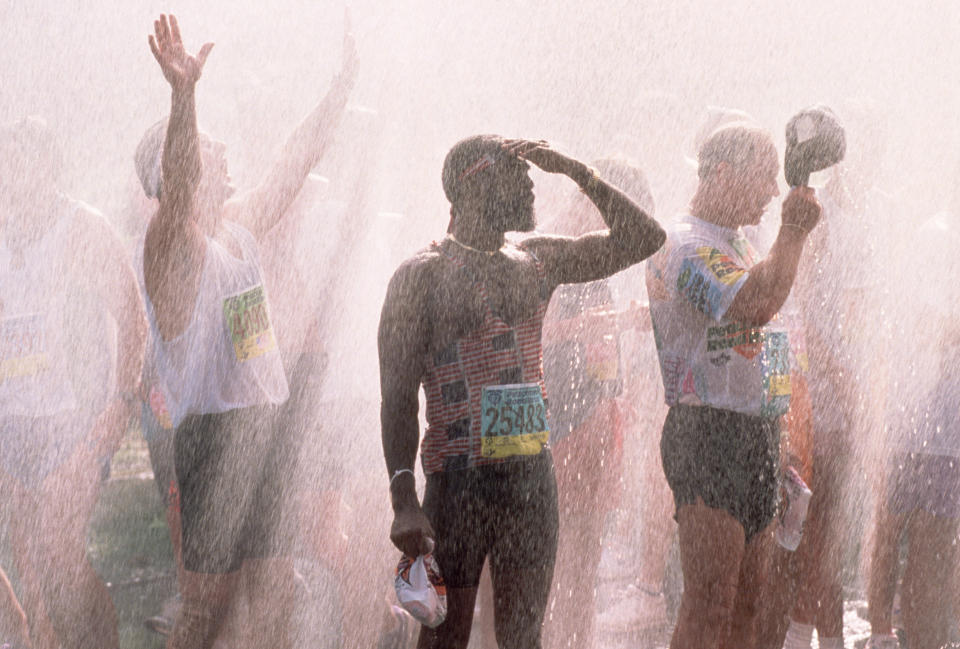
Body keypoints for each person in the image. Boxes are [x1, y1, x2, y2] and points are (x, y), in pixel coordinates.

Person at [379, 134, 665, 649]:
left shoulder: (537, 260)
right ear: (477, 186)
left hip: (531, 484)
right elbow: (396, 398)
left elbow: (645, 237)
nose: (534, 184)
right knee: (445, 637)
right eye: (520, 173)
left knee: (522, 636)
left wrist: (578, 170)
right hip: (458, 484)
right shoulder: (421, 278)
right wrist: (403, 499)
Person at [139, 14, 355, 649]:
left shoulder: (235, 228)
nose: (228, 156)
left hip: (262, 425)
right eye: (213, 149)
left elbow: (294, 159)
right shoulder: (170, 247)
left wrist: (341, 88)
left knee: (277, 588)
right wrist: (184, 97)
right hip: (214, 435)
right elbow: (179, 188)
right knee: (208, 610)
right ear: (179, 168)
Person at [644, 121, 821, 649]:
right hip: (707, 434)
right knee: (710, 603)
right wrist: (792, 231)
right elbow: (754, 305)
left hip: (758, 434)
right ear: (722, 173)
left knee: (748, 605)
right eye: (765, 175)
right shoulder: (680, 242)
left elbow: (769, 341)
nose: (774, 190)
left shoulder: (743, 242)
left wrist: (782, 432)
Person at [0, 116, 147, 649]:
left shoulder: (82, 228)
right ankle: (24, 632)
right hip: (15, 423)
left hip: (76, 420)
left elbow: (133, 318)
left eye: (22, 161)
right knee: (34, 572)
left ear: (48, 167)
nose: (11, 173)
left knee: (61, 559)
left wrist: (120, 407)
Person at [539, 158, 655, 649]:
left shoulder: (590, 257)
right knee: (553, 564)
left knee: (582, 565)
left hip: (594, 419)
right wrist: (604, 324)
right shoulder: (542, 250)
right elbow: (527, 336)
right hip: (553, 426)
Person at [863, 210, 960, 649]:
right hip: (917, 432)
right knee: (915, 544)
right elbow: (927, 328)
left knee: (933, 551)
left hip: (943, 436)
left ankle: (923, 638)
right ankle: (890, 634)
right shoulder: (932, 249)